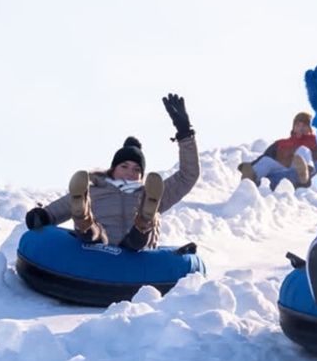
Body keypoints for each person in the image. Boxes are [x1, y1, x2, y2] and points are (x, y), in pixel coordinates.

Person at [25, 94, 200, 250]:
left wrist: (185, 133)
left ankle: (144, 220)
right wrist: (42, 215)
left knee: (137, 237)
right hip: (98, 247)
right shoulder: (94, 189)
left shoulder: (151, 192)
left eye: (136, 169)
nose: (130, 173)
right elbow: (56, 211)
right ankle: (84, 220)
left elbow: (188, 175)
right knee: (94, 233)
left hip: (135, 251)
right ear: (112, 169)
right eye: (124, 166)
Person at [238, 112, 317, 189]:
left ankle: (304, 176)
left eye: (304, 126)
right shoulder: (281, 143)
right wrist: (250, 165)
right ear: (294, 127)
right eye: (298, 125)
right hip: (282, 169)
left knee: (302, 149)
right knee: (266, 161)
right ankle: (250, 180)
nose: (301, 128)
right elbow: (266, 156)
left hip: (300, 169)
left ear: (310, 128)